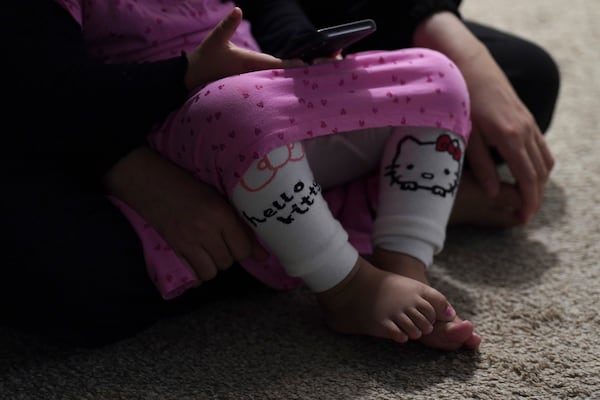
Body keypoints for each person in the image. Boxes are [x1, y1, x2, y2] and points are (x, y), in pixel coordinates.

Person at [3, 0, 494, 350]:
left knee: (439, 76)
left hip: (267, 99)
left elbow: (270, 11)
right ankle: (347, 286)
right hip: (177, 123)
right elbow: (53, 93)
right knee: (241, 109)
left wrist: (302, 51)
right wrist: (187, 74)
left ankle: (403, 264)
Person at [238, 0, 559, 228]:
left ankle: (386, 193)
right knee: (211, 235)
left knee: (529, 76)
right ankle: (381, 203)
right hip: (223, 68)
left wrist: (454, 42)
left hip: (304, 28)